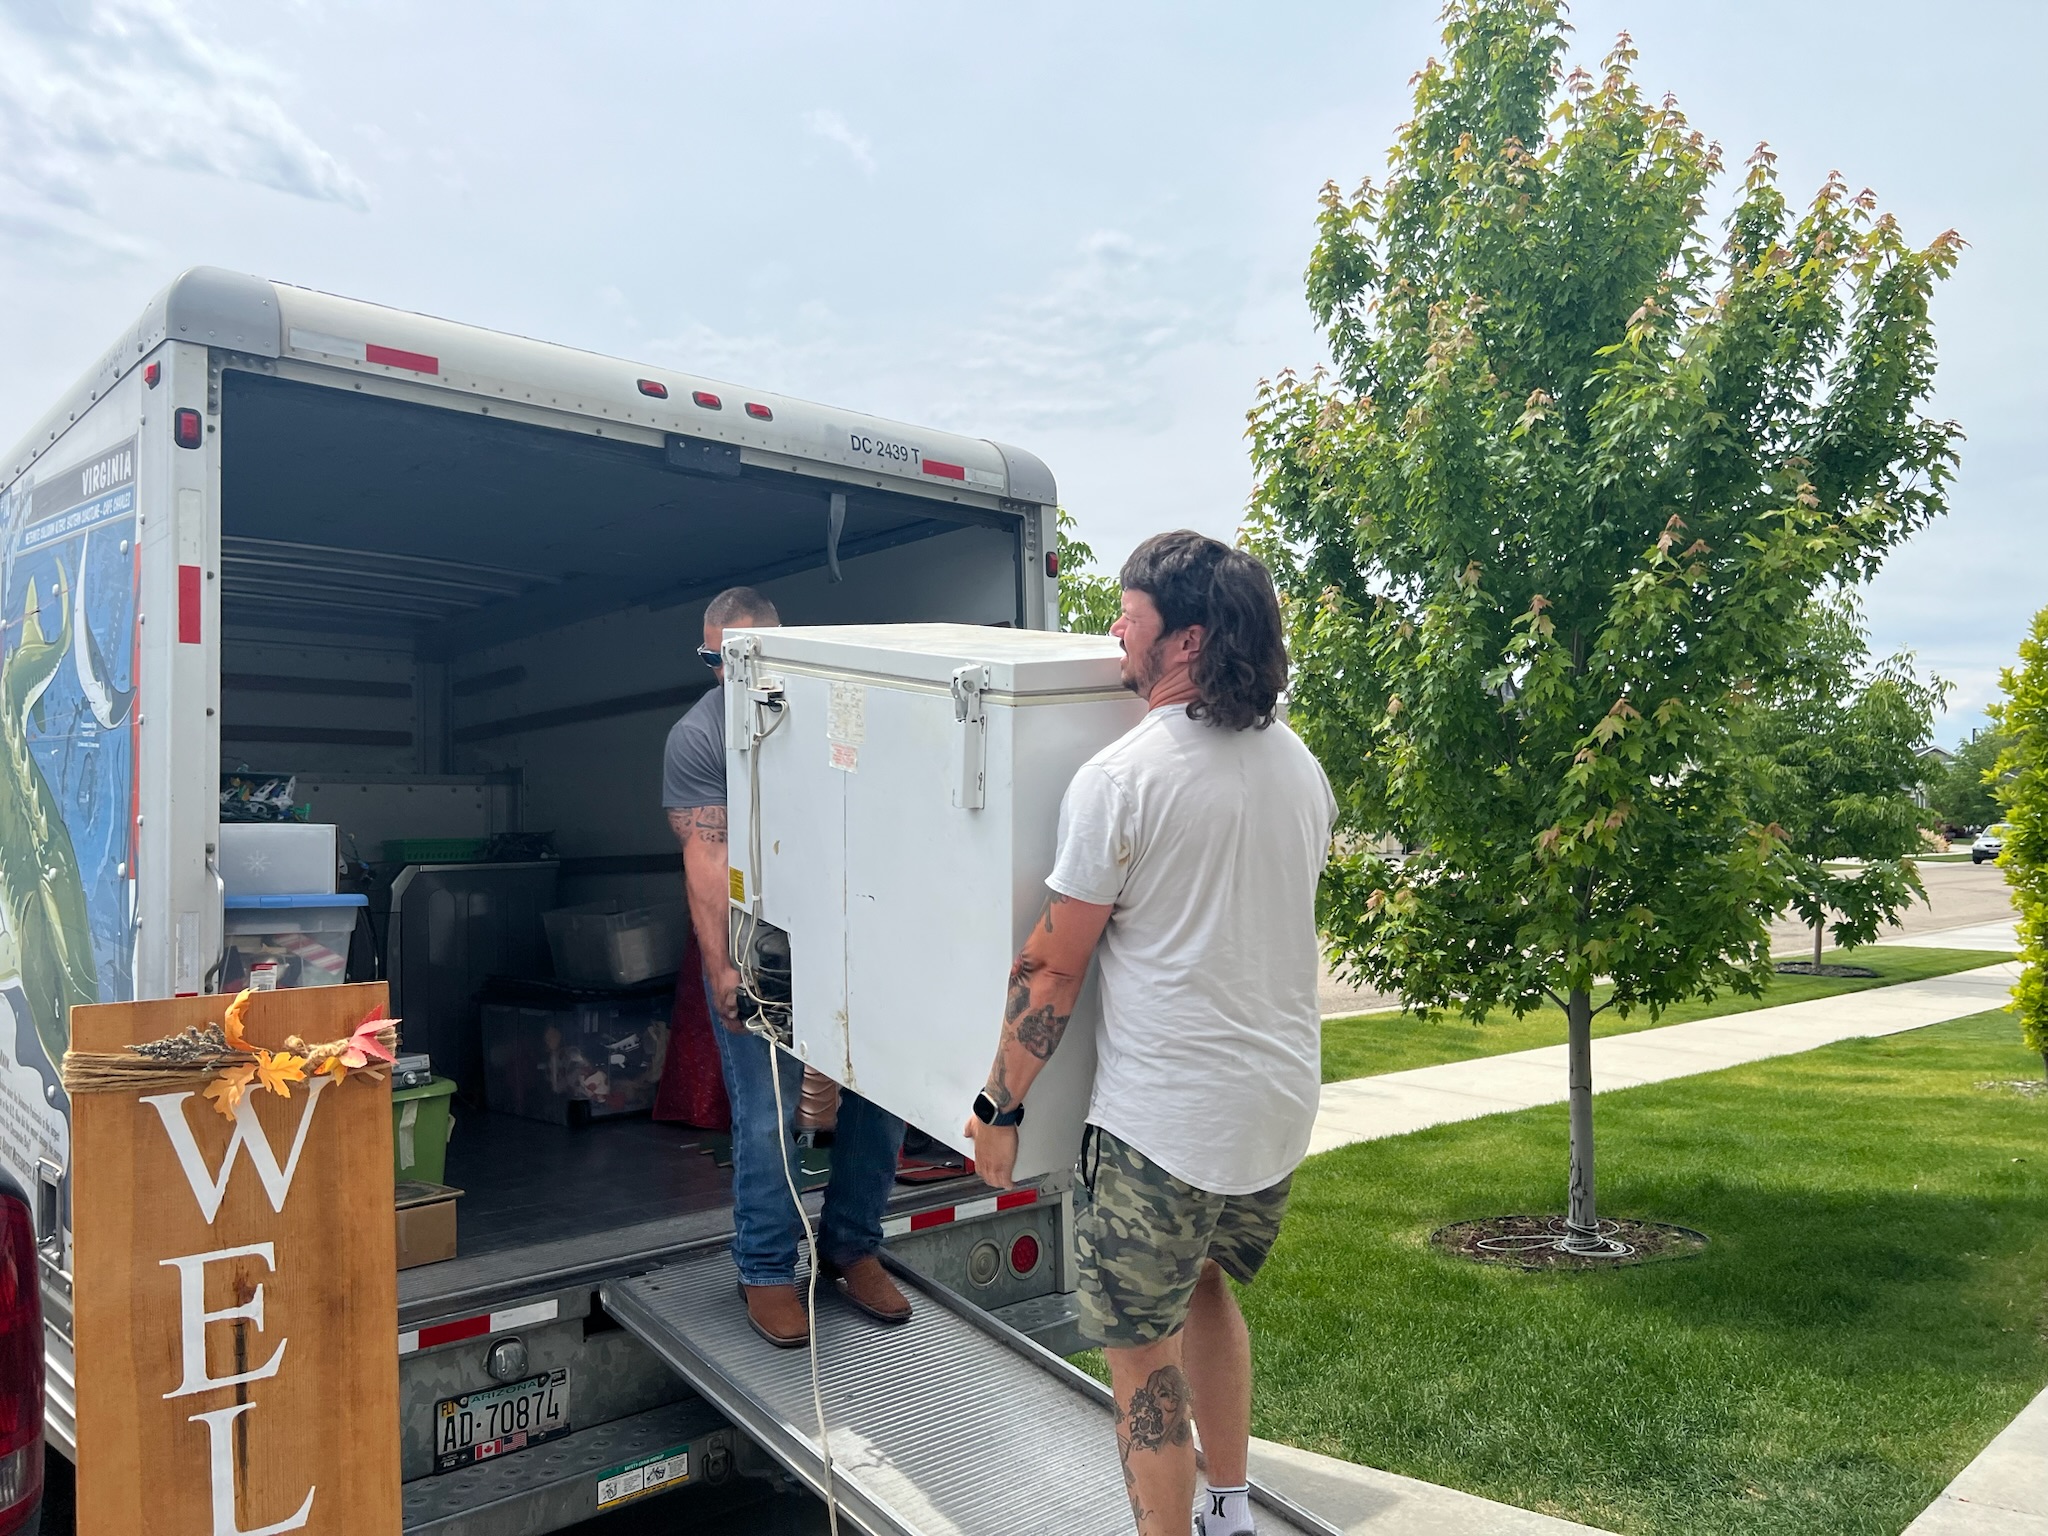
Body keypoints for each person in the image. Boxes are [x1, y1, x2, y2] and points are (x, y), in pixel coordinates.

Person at [964, 532, 1335, 1536]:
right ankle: (1225, 1511)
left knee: (1139, 1358)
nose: (1114, 636)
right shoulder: (1297, 766)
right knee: (1208, 1288)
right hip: (1272, 1114)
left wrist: (996, 1105)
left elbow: (1051, 965)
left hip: (1163, 1127)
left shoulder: (1121, 779)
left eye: (1128, 619)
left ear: (1186, 642)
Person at [664, 585, 912, 1348]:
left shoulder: (841, 713)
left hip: (850, 933)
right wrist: (722, 969)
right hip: (759, 942)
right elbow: (706, 858)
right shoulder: (700, 737)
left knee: (883, 1095)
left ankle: (850, 1247)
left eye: (735, 656)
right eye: (713, 658)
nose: (722, 672)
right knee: (768, 1108)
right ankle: (767, 1268)